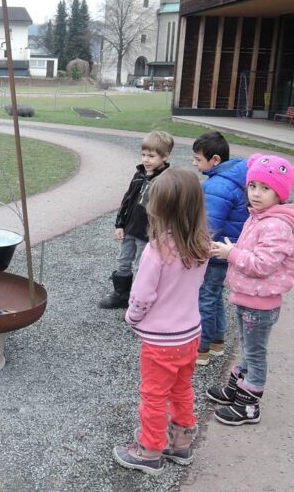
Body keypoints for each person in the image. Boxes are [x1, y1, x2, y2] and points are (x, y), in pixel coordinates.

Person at [112, 168, 210, 475]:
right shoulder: (202, 244)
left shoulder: (156, 251)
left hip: (160, 341)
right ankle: (180, 443)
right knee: (181, 389)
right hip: (190, 333)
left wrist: (132, 317)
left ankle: (149, 450)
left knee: (153, 396)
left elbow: (142, 296)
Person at [208, 153, 294, 425]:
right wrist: (233, 250)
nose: (256, 193)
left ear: (281, 193)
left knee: (255, 352)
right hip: (247, 297)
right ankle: (237, 387)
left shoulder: (276, 224)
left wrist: (231, 254)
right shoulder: (260, 217)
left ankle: (250, 405)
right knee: (248, 348)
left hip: (260, 302)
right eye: (253, 186)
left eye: (266, 188)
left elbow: (263, 265)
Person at [191, 131, 249, 366]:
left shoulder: (217, 185)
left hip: (215, 251)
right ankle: (216, 342)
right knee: (214, 296)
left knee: (205, 297)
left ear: (214, 160)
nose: (194, 163)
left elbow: (209, 224)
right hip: (227, 248)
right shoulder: (233, 178)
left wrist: (196, 248)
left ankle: (201, 348)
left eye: (197, 159)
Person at [99, 130, 174, 309]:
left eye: (151, 156)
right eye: (143, 155)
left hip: (147, 233)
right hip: (130, 229)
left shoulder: (166, 180)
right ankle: (121, 295)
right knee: (123, 260)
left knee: (143, 266)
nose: (146, 160)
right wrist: (119, 223)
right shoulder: (139, 174)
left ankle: (140, 302)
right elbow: (127, 199)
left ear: (165, 157)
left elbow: (166, 211)